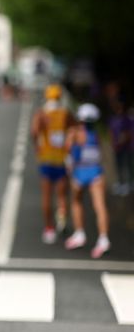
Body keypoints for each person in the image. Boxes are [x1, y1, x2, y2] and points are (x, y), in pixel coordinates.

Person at [64, 103, 110, 258]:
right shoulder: (96, 134)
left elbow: (68, 149)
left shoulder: (75, 132)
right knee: (100, 206)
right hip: (96, 171)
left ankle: (79, 234)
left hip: (80, 171)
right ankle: (103, 239)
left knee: (76, 202)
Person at [30, 83, 72, 243]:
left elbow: (34, 132)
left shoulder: (41, 114)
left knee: (47, 196)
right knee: (62, 195)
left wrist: (37, 147)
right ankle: (61, 219)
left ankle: (49, 228)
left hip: (46, 159)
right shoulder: (65, 114)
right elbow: (74, 129)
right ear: (60, 97)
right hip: (61, 160)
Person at [107, 101, 133, 195]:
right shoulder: (112, 119)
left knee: (128, 165)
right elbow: (110, 131)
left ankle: (129, 183)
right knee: (119, 165)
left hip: (126, 146)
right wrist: (113, 143)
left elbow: (128, 132)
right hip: (117, 146)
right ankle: (121, 182)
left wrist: (121, 141)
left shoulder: (126, 119)